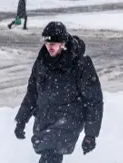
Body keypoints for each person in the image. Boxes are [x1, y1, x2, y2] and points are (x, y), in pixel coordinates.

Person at [14, 22, 104, 163]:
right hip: (45, 118)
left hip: (69, 119)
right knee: (48, 153)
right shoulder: (41, 61)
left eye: (54, 44)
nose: (49, 47)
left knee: (50, 155)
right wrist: (21, 120)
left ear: (63, 44)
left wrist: (90, 134)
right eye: (47, 42)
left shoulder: (80, 64)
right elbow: (33, 92)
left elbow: (94, 100)